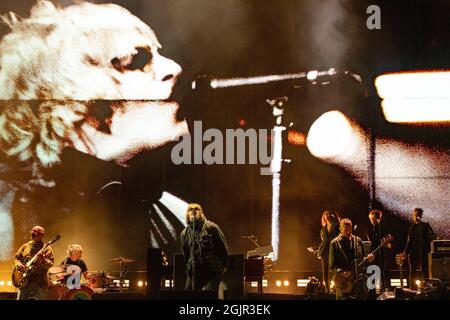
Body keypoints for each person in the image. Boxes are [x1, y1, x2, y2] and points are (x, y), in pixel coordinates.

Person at [0, 0, 189, 264]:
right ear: (67, 98)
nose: (173, 67)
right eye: (138, 59)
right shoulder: (8, 218)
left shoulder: (179, 215)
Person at [180, 203, 229, 291]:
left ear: (201, 213)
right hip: (195, 270)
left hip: (212, 269)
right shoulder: (184, 233)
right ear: (187, 214)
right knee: (188, 294)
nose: (193, 210)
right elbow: (185, 254)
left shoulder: (212, 227)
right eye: (190, 209)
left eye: (196, 209)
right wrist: (189, 267)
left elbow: (222, 246)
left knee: (209, 296)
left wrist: (225, 265)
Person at [329, 218, 374, 300]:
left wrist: (369, 259)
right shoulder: (334, 243)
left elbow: (362, 258)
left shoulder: (358, 240)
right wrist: (342, 272)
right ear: (340, 229)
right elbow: (332, 265)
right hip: (344, 283)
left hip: (358, 282)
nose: (348, 232)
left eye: (350, 230)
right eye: (345, 230)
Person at [12, 226, 54, 300]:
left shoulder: (47, 248)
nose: (33, 235)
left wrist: (43, 260)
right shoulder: (25, 247)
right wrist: (19, 265)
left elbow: (50, 264)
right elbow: (16, 258)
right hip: (24, 283)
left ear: (42, 235)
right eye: (33, 233)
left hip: (40, 283)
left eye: (35, 234)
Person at [402, 208, 436, 289]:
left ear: (420, 216)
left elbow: (432, 237)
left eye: (417, 215)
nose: (415, 216)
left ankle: (426, 289)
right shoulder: (412, 227)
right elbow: (409, 241)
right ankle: (412, 289)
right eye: (415, 215)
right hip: (413, 252)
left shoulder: (425, 225)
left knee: (424, 270)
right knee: (412, 271)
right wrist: (405, 252)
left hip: (423, 252)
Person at [317, 210, 340, 293]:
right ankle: (327, 289)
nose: (327, 215)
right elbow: (323, 241)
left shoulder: (337, 225)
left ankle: (336, 288)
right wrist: (319, 249)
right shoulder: (323, 228)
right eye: (325, 214)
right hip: (324, 252)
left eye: (329, 214)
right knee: (325, 271)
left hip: (334, 250)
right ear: (324, 217)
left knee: (335, 270)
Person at [367, 209, 388, 292]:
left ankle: (382, 289)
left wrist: (386, 244)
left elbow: (388, 242)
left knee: (381, 271)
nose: (371, 221)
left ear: (375, 218)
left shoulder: (382, 228)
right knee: (373, 270)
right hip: (373, 254)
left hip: (380, 254)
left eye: (372, 219)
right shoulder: (373, 228)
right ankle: (372, 289)